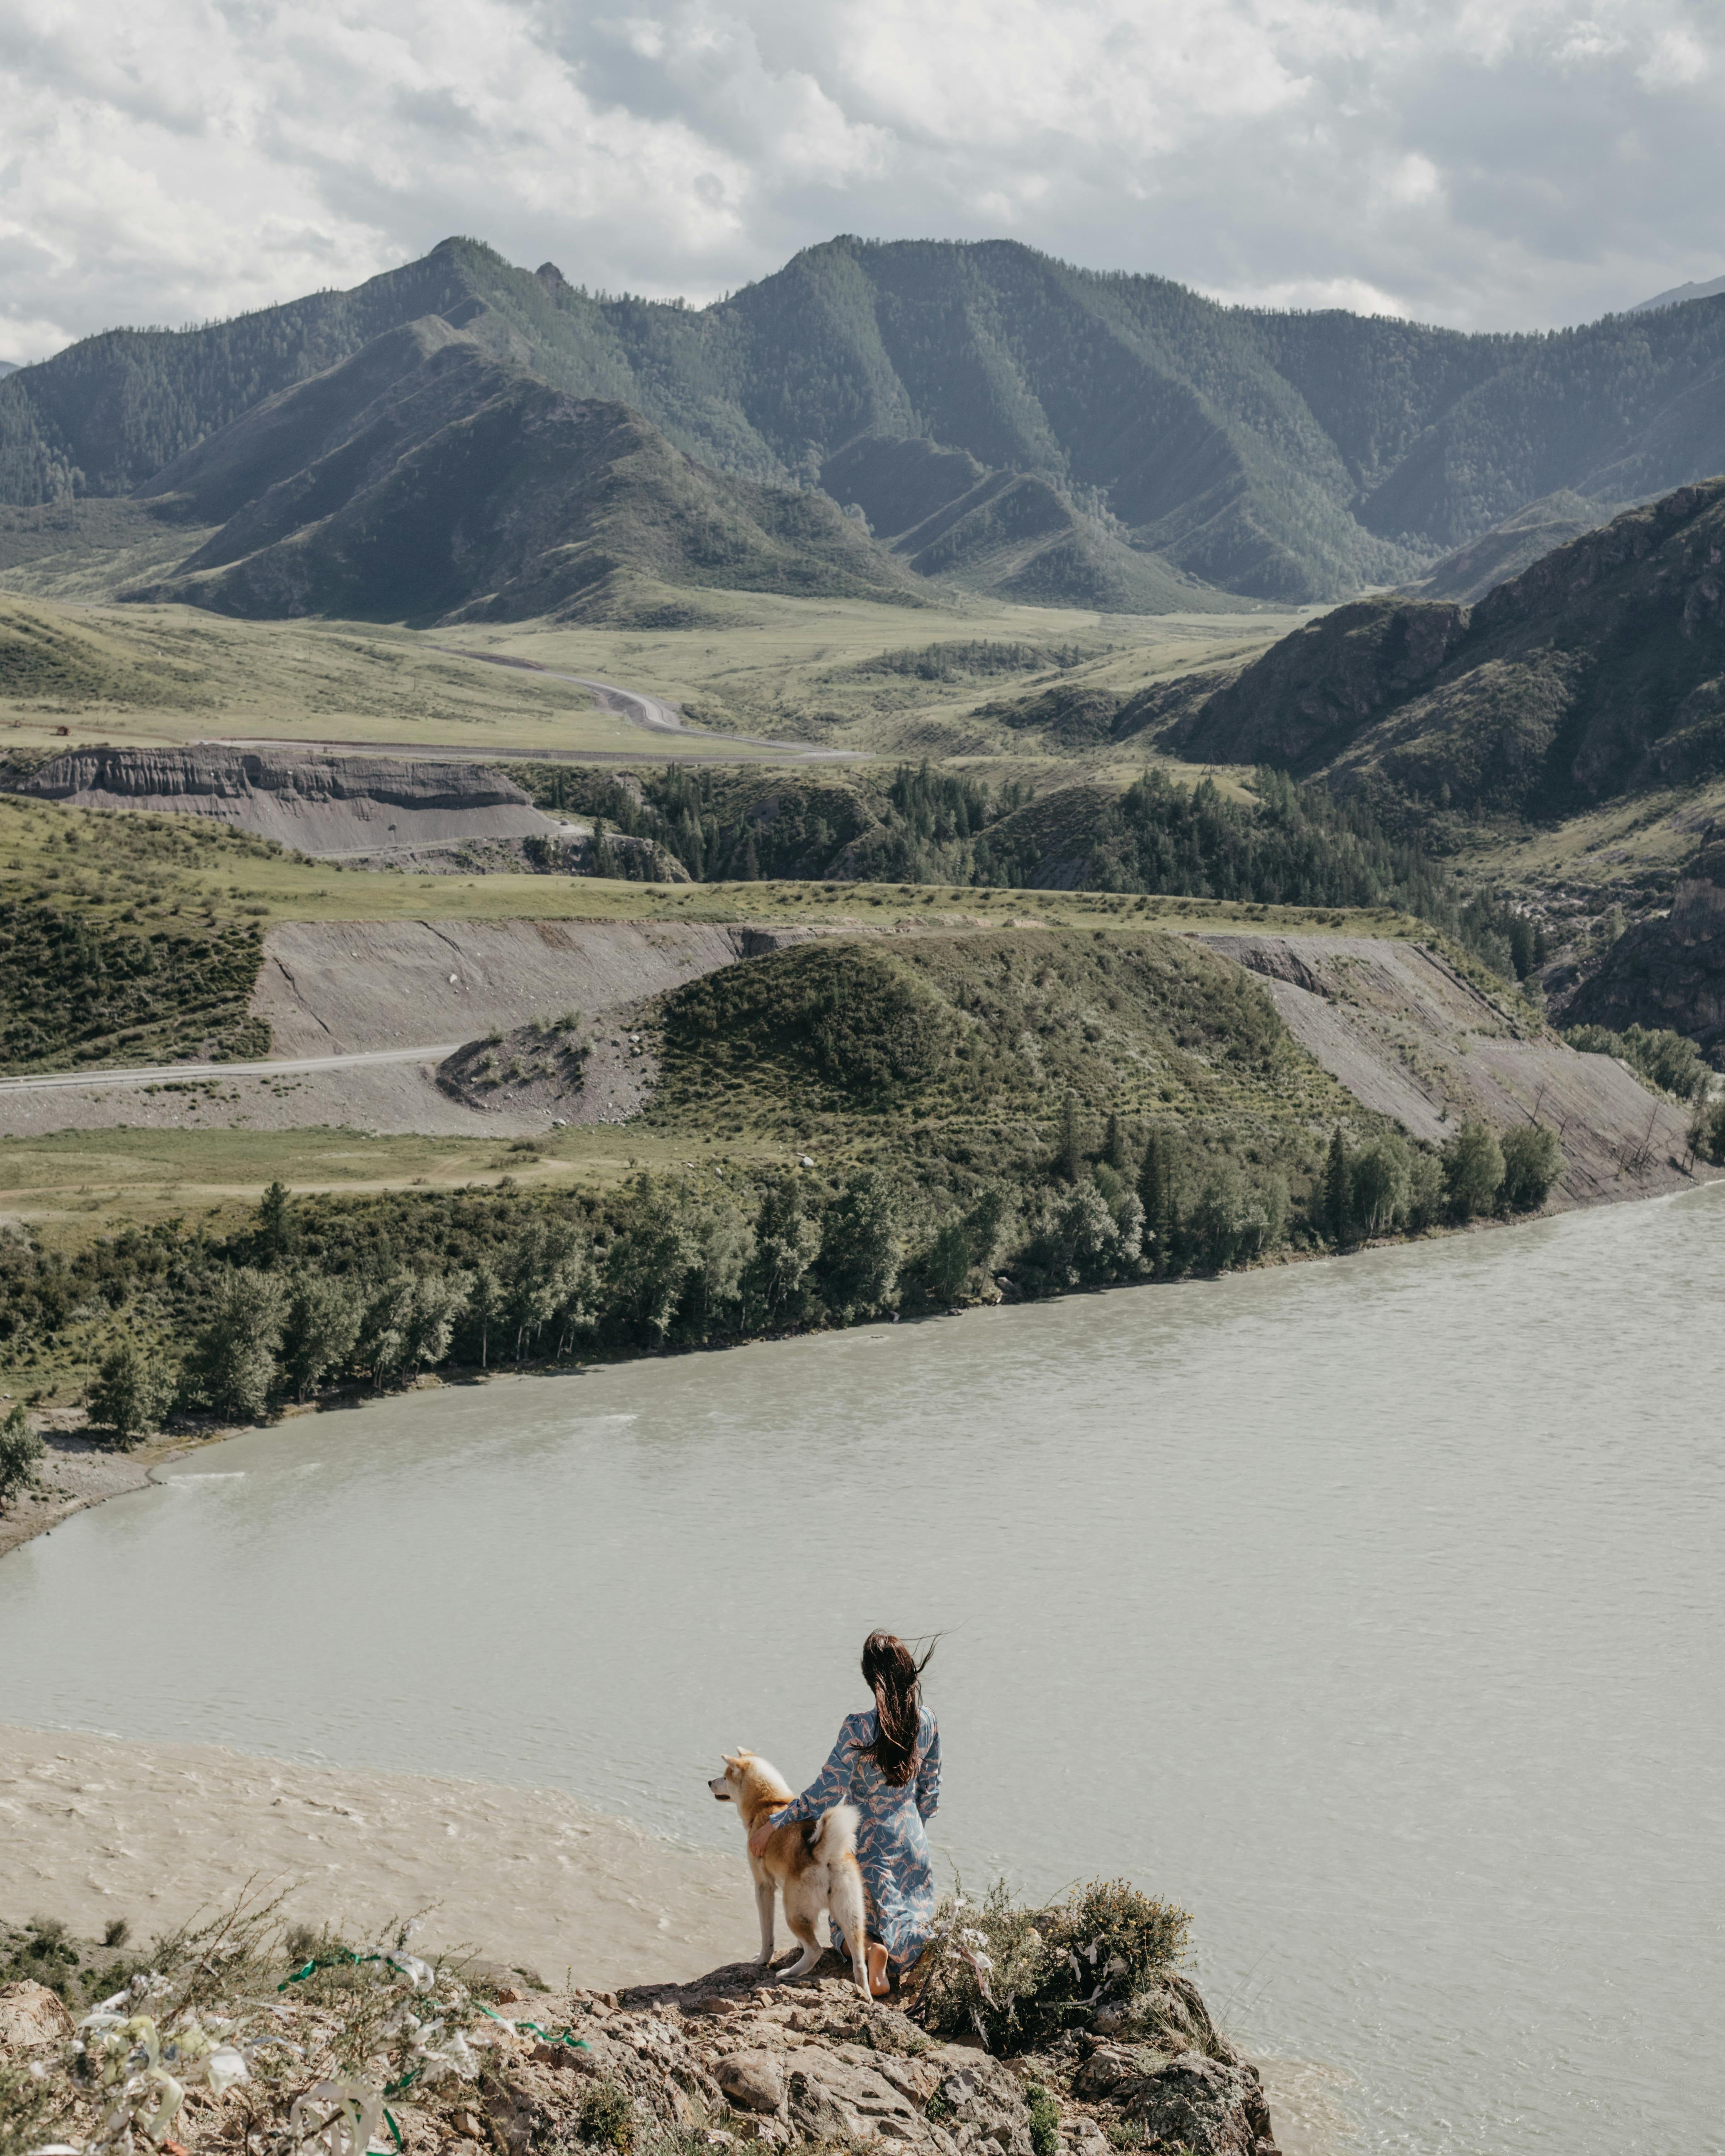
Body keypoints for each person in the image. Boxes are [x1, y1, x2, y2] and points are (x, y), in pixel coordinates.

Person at [750, 1631, 940, 1997]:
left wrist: (774, 1824)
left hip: (866, 1845)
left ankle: (872, 1952)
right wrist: (914, 1828)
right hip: (912, 1840)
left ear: (872, 1679)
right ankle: (912, 1955)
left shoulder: (859, 1727)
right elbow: (931, 1791)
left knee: (846, 1930)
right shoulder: (929, 1721)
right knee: (912, 1916)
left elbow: (824, 1793)